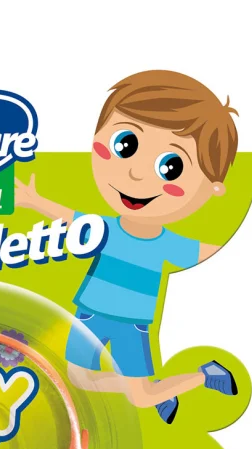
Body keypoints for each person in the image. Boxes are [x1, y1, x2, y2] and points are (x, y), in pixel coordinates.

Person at [15, 70, 239, 423]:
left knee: (141, 398)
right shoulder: (105, 227)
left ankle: (204, 375)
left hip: (131, 324)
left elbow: (217, 251)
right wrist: (34, 200)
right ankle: (159, 390)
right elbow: (71, 218)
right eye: (125, 145)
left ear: (212, 188)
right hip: (88, 313)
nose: (136, 175)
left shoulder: (170, 244)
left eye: (171, 167)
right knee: (79, 379)